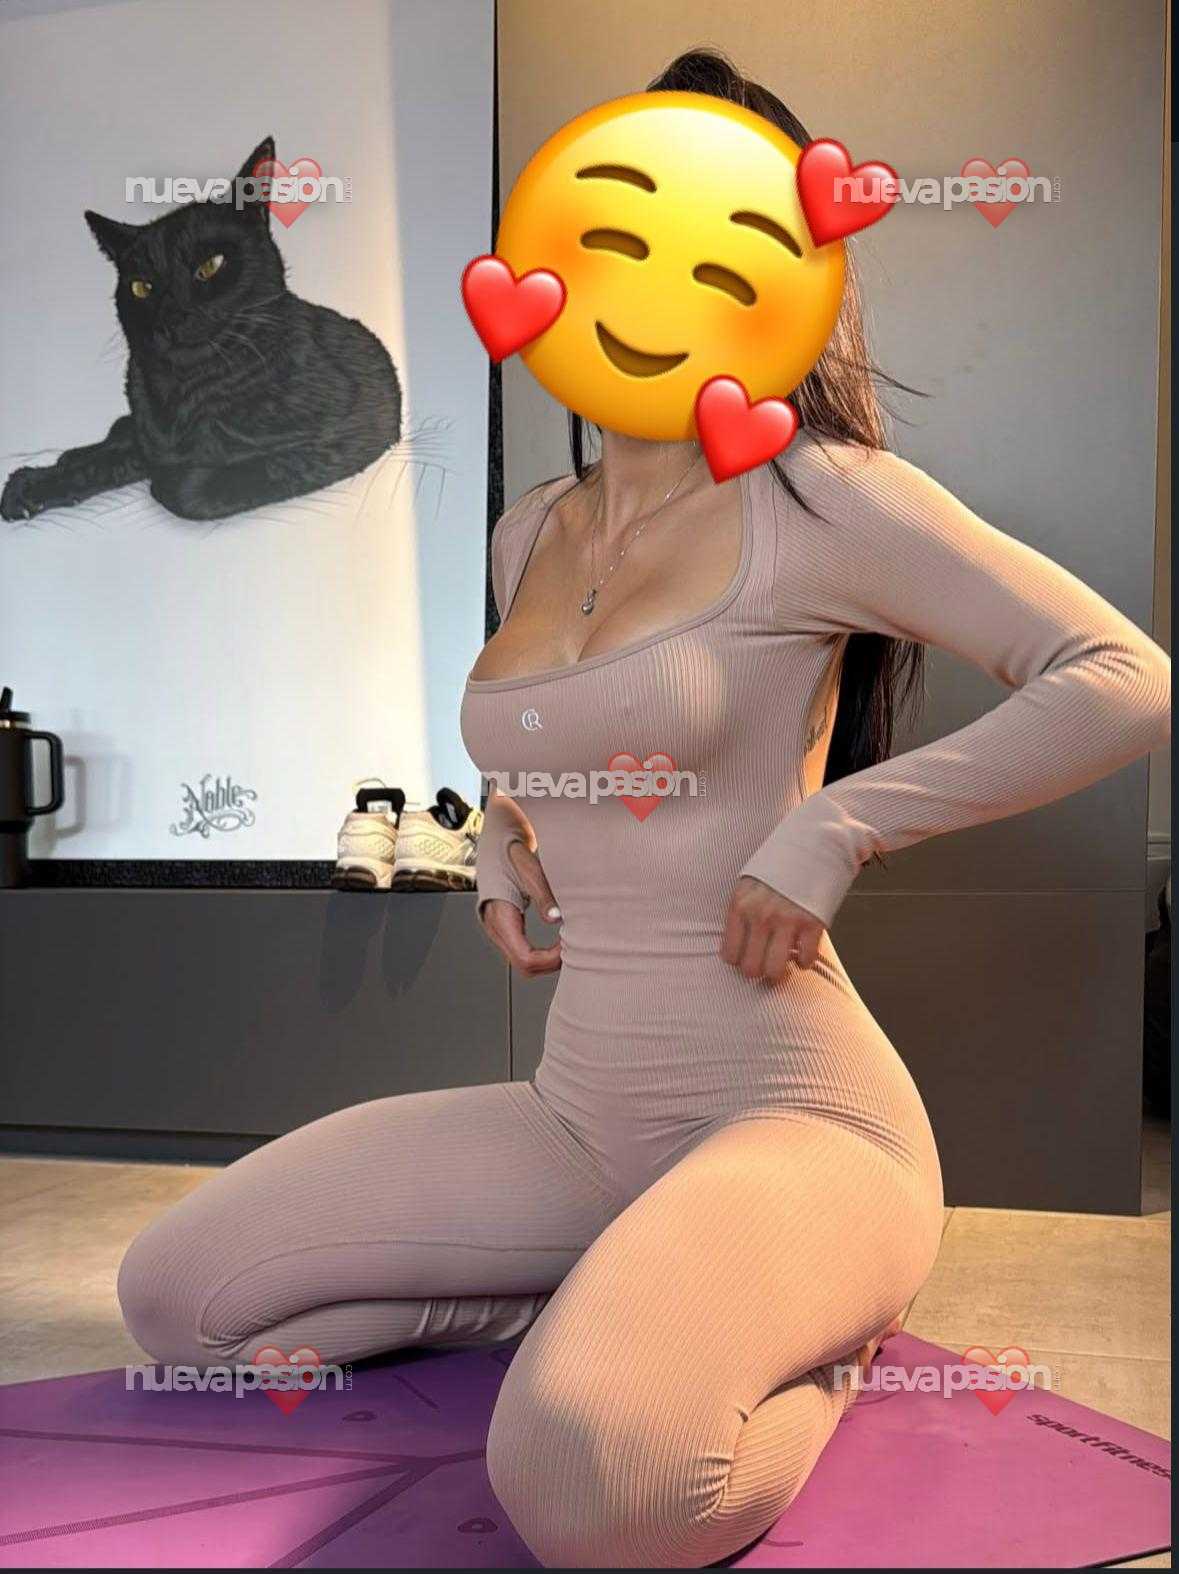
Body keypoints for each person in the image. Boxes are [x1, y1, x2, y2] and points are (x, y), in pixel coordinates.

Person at [117, 49, 1171, 1570]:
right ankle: (595, 1299)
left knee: (589, 1485)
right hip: (582, 1116)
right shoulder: (529, 530)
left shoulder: (819, 497)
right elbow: (547, 741)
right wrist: (503, 831)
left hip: (797, 1117)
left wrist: (838, 826)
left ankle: (818, 1340)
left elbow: (1122, 675)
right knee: (181, 1303)